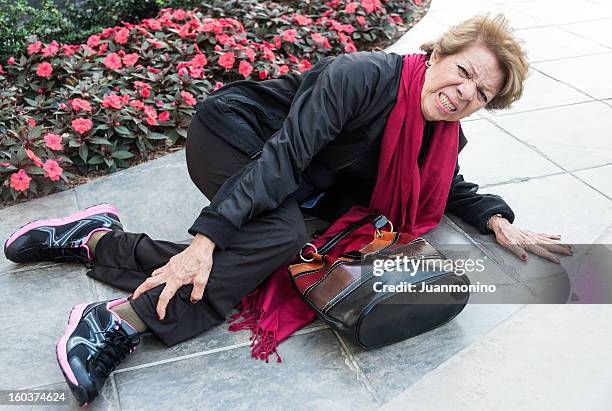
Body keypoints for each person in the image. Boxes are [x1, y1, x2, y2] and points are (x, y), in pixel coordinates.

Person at [3, 13, 572, 406]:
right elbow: (286, 154)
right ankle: (121, 320)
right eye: (464, 71)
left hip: (295, 176)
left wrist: (499, 221)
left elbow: (450, 185)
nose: (463, 93)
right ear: (439, 53)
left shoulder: (442, 134)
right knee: (278, 236)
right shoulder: (363, 77)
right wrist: (204, 242)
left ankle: (95, 239)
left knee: (284, 251)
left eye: (482, 94)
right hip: (234, 135)